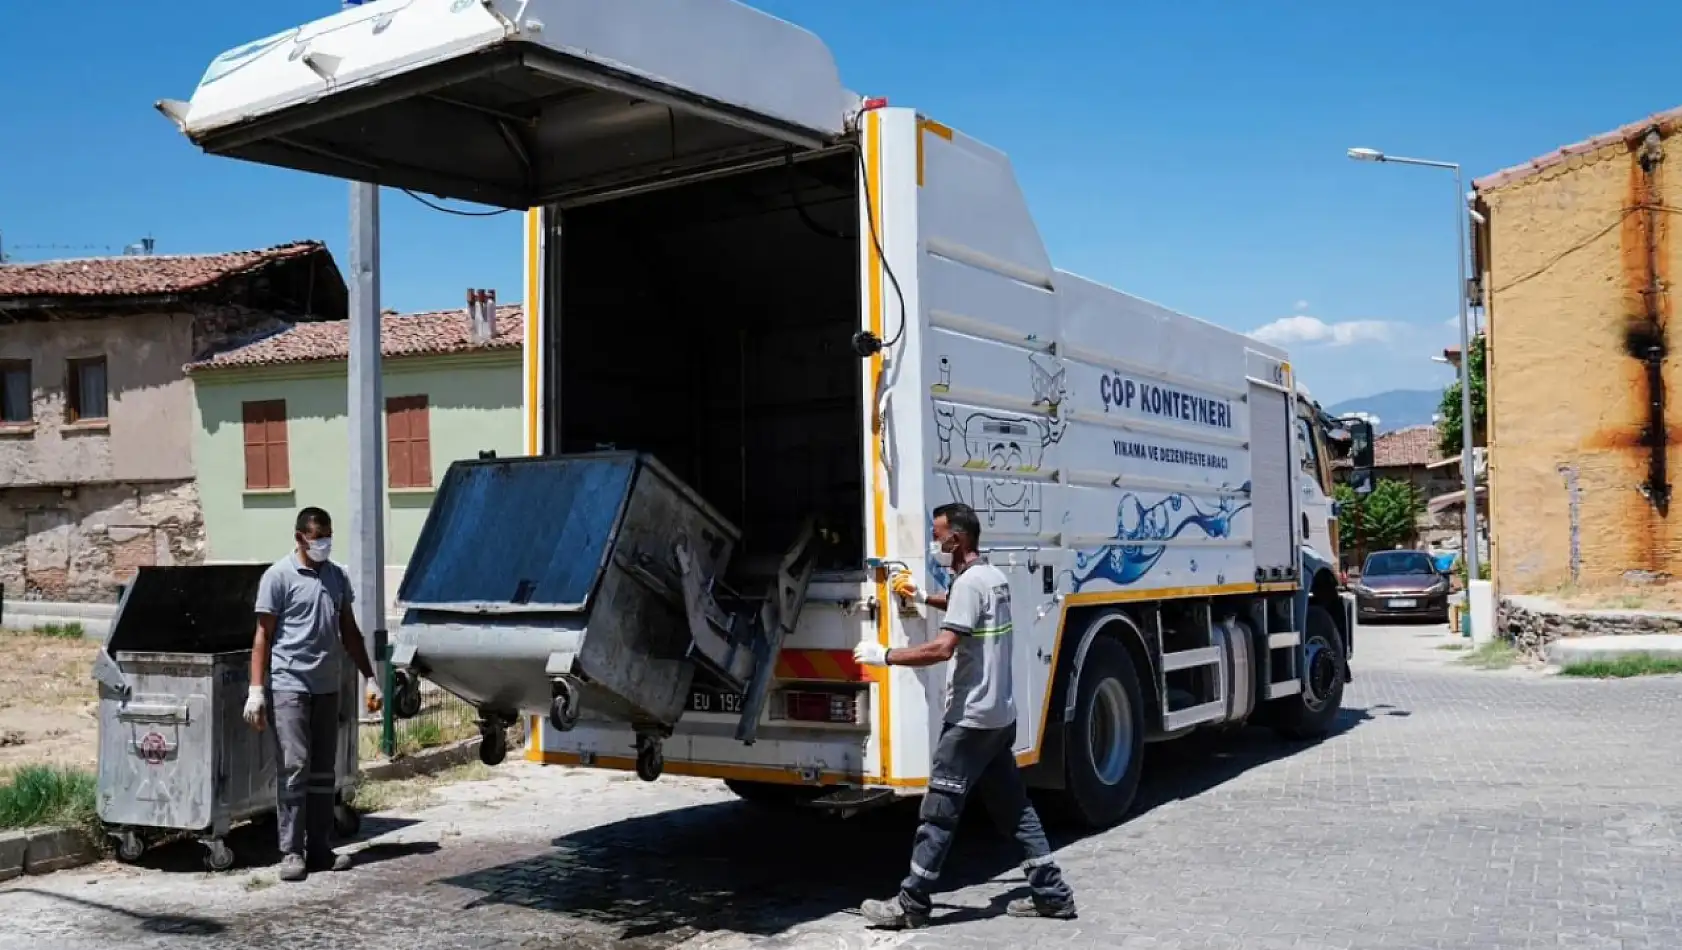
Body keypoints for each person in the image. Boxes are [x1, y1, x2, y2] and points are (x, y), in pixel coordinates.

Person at [852, 502, 1076, 929]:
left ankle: (911, 903)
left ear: (958, 538)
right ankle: (1052, 894)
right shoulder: (991, 578)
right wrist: (920, 597)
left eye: (939, 534)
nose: (936, 540)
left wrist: (886, 655)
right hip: (999, 718)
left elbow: (942, 648)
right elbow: (963, 606)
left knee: (939, 810)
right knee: (1015, 810)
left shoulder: (971, 584)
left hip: (970, 720)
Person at [242, 507, 381, 882]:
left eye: (328, 535)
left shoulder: (337, 577)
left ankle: (320, 847)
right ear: (300, 537)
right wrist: (256, 690)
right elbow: (263, 636)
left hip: (327, 686)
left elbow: (349, 630)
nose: (324, 543)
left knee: (323, 771)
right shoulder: (278, 577)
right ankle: (291, 851)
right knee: (295, 764)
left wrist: (371, 677)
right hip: (289, 685)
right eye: (318, 536)